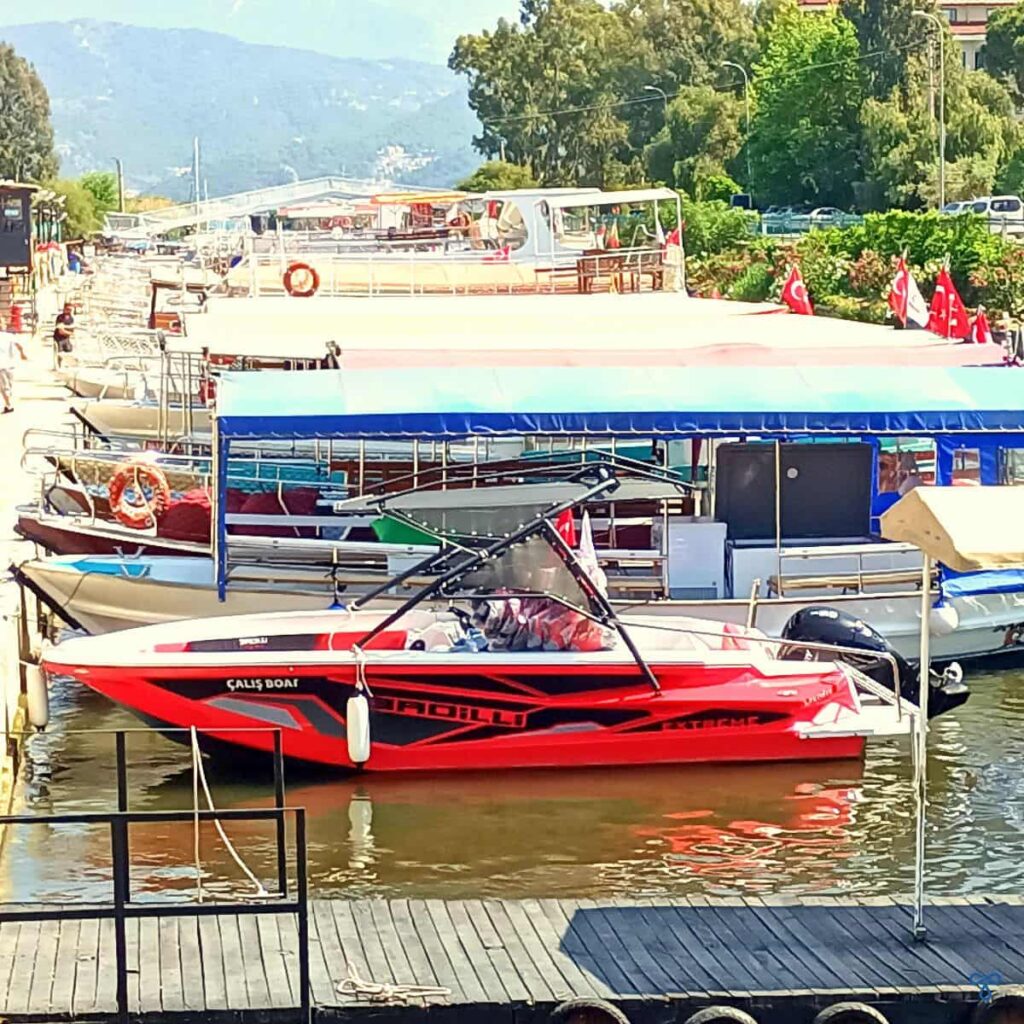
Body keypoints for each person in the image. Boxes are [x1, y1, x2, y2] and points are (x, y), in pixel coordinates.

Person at [0, 316, 28, 414]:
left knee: (5, 386)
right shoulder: (10, 336)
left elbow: (19, 346)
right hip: (9, 364)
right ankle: (9, 404)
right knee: (8, 386)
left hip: (3, 365)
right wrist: (22, 354)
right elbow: (19, 346)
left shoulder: (9, 336)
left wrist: (22, 353)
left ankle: (9, 404)